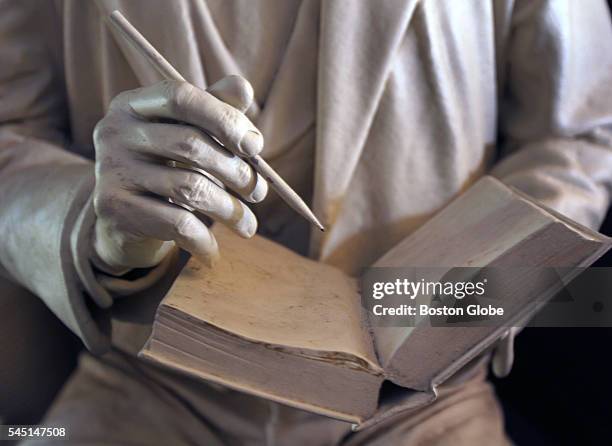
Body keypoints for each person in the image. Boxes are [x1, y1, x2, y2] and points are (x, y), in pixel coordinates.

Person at [2, 0, 612, 444]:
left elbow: (577, 132)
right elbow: (10, 136)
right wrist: (94, 224)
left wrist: (479, 292)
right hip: (151, 389)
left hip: (423, 407)